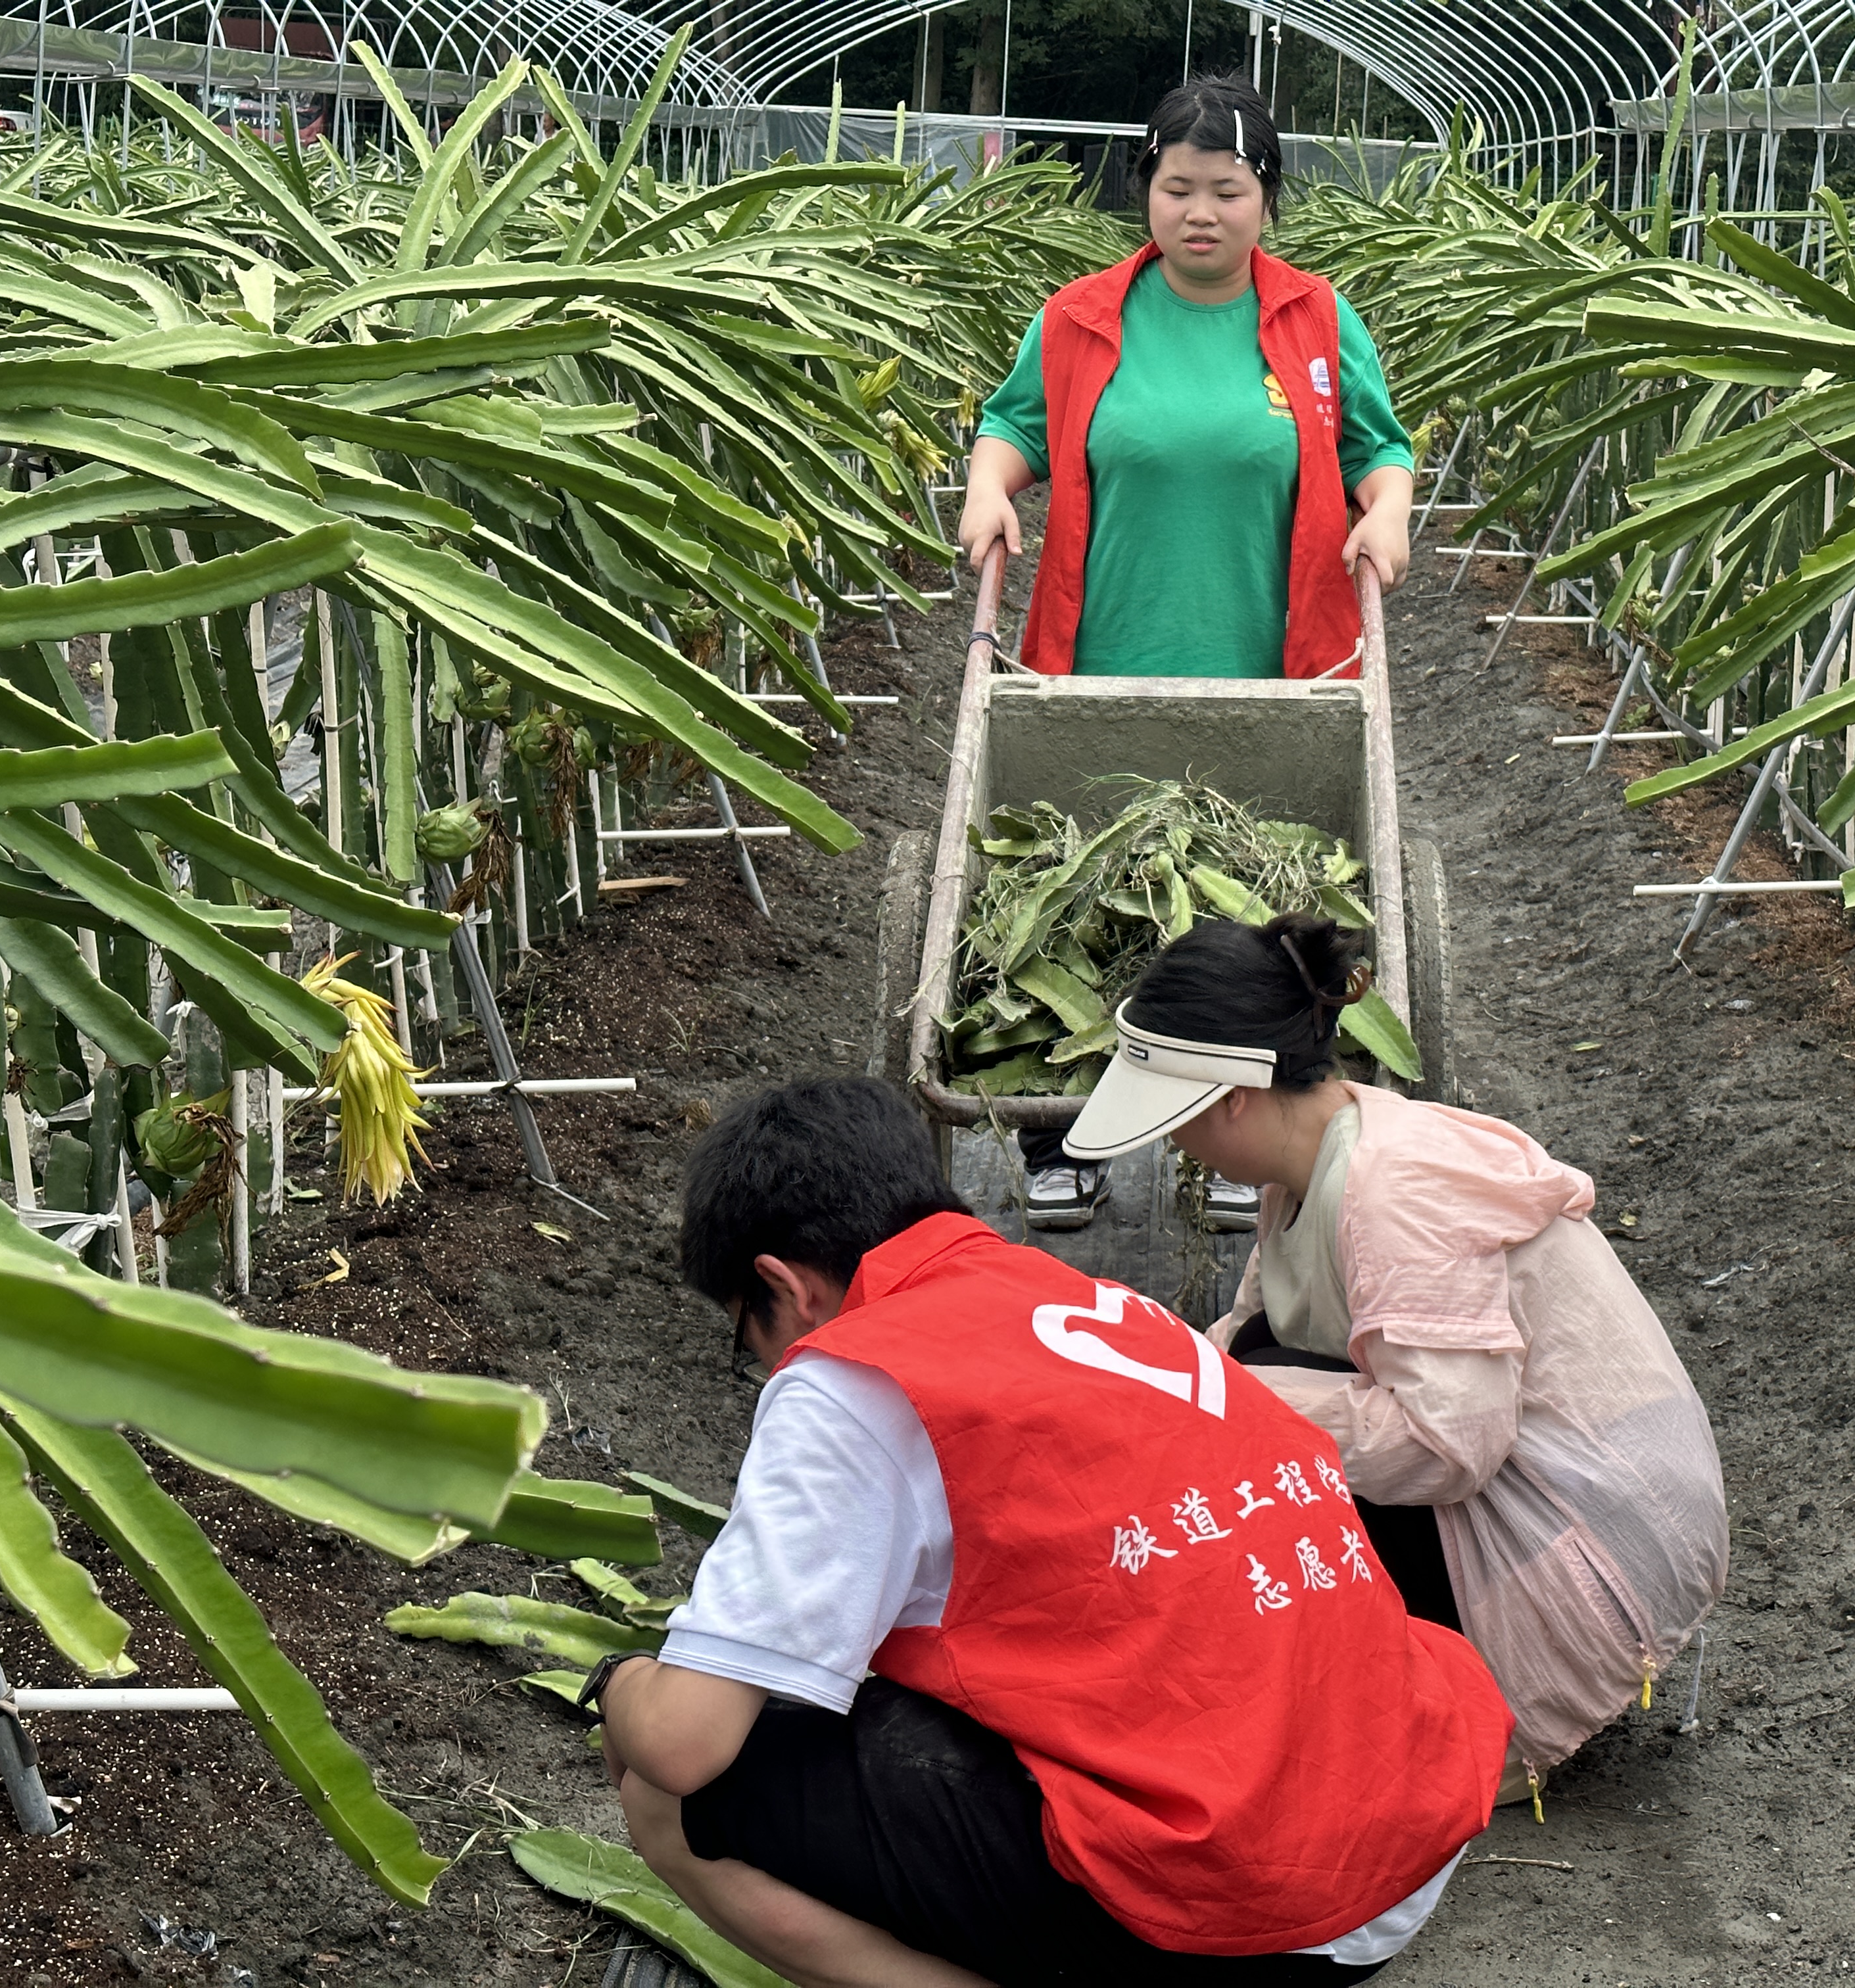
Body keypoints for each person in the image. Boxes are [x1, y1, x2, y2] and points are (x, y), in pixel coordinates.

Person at [590, 1076, 1512, 1987]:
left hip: (1235, 1913)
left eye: (746, 1339)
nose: (766, 1366)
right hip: (1395, 1852)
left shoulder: (850, 1378)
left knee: (666, 1793)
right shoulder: (1095, 1304)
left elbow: (683, 1740)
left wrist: (620, 1682)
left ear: (781, 1287)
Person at [1060, 916, 1729, 1796]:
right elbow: (1250, 1334)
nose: (1172, 1144)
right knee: (1249, 1371)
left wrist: (1233, 1401)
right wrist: (1158, 1381)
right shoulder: (1316, 1157)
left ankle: (1464, 1703)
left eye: (1176, 1120)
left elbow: (1450, 1444)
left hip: (1588, 1555)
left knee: (1254, 1424)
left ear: (1231, 1099)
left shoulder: (1392, 1189)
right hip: (1553, 1496)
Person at [954, 74, 1416, 1234]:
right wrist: (990, 488)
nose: (1199, 212)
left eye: (1227, 190)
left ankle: (1245, 1137)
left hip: (1273, 663)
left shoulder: (1316, 318)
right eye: (1176, 187)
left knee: (1253, 896)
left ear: (1268, 199)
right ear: (1144, 192)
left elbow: (1378, 445)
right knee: (1085, 889)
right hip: (1099, 656)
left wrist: (1388, 509)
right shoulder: (1080, 318)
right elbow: (1012, 425)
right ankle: (1063, 1129)